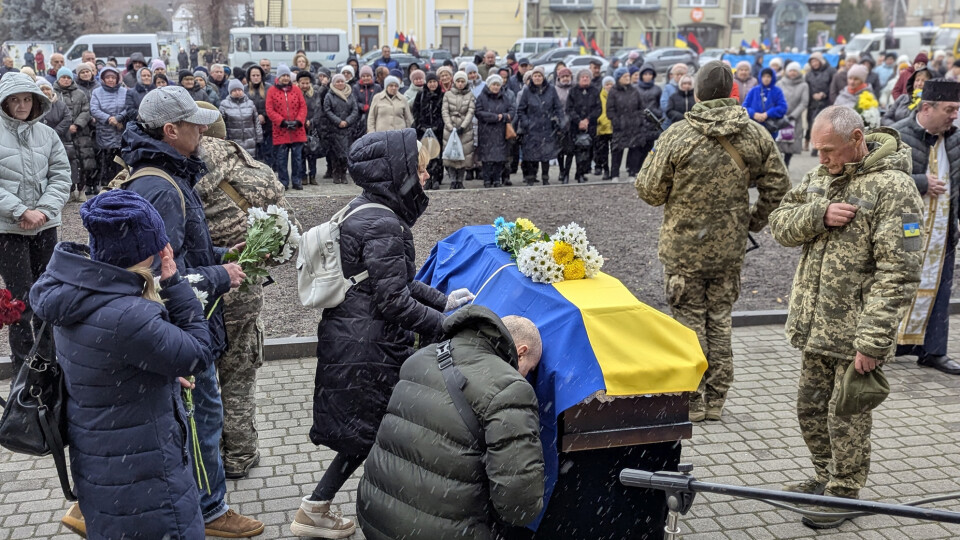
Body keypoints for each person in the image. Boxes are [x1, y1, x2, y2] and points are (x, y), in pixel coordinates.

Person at [294, 128, 472, 538]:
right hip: (369, 344)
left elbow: (395, 283)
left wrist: (442, 300)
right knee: (376, 433)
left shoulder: (366, 208)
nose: (426, 176)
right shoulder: (384, 223)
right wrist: (446, 326)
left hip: (353, 335)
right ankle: (340, 511)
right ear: (397, 171)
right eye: (420, 168)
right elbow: (393, 301)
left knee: (366, 433)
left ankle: (315, 508)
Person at [769, 107, 924, 529]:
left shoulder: (894, 187)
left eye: (828, 150)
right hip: (815, 325)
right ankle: (825, 476)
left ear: (857, 138)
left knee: (847, 417)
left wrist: (873, 341)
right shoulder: (821, 177)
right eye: (816, 150)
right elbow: (779, 225)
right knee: (810, 410)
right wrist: (818, 216)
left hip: (856, 332)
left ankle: (844, 491)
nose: (821, 159)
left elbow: (900, 272)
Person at [121, 85, 264, 537]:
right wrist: (220, 276)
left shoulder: (165, 174)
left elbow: (181, 250)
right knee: (203, 418)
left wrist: (221, 253)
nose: (203, 129)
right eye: (194, 123)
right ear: (171, 130)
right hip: (183, 328)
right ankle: (212, 510)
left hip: (181, 324)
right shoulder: (160, 186)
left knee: (195, 417)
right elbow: (164, 274)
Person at [31, 189, 214, 539]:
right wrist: (174, 284)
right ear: (147, 249)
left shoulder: (74, 292)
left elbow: (103, 363)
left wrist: (152, 372)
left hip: (103, 467)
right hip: (147, 483)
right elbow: (198, 352)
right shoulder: (129, 316)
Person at [636, 62, 790, 422]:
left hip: (683, 251)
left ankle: (692, 398)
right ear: (733, 92)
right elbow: (778, 189)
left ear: (697, 92)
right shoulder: (755, 134)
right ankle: (717, 397)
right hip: (729, 250)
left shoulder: (678, 135)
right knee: (720, 320)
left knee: (688, 322)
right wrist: (750, 220)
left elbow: (649, 191)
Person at [357, 306, 545, 539]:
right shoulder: (510, 389)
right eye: (531, 368)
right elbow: (518, 504)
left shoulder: (421, 358)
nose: (527, 375)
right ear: (521, 351)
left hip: (375, 513)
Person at [194, 102, 298, 479]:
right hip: (239, 292)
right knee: (237, 376)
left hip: (186, 295)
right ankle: (239, 456)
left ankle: (202, 458)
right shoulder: (253, 173)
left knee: (193, 378)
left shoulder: (162, 171)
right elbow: (288, 232)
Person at [0, 73, 71, 377]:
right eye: (15, 99)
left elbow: (61, 175)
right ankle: (22, 370)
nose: (22, 105)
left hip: (44, 227)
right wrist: (20, 211)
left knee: (47, 295)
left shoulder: (47, 134)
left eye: (27, 99)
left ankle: (48, 363)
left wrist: (43, 210)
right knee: (19, 301)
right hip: (8, 230)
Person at [892, 80, 960, 375]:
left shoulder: (955, 139)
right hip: (907, 229)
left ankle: (933, 350)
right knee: (897, 285)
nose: (954, 116)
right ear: (926, 108)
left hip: (943, 228)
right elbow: (882, 179)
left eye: (957, 109)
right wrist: (921, 182)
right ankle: (886, 345)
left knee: (941, 289)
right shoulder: (897, 135)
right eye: (949, 109)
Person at [55, 68, 96, 202]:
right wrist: (65, 127)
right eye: (63, 77)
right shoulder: (54, 94)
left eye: (68, 77)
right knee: (67, 162)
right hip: (62, 134)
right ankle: (71, 190)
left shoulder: (80, 93)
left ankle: (82, 189)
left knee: (84, 161)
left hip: (81, 132)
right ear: (58, 79)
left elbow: (86, 110)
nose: (66, 80)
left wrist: (77, 124)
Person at [518, 67, 563, 186]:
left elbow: (558, 107)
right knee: (532, 154)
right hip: (531, 127)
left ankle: (545, 177)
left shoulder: (551, 90)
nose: (537, 78)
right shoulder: (527, 91)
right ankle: (531, 177)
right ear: (531, 78)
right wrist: (526, 122)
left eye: (539, 76)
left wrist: (558, 120)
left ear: (543, 77)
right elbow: (521, 109)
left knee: (546, 154)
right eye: (535, 76)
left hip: (547, 126)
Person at [266, 64, 307, 190]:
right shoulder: (272, 91)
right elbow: (269, 109)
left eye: (287, 75)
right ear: (278, 76)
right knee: (281, 159)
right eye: (283, 75)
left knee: (297, 159)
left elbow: (303, 106)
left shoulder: (296, 89)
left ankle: (297, 180)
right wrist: (282, 121)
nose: (285, 78)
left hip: (297, 130)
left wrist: (299, 121)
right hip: (281, 130)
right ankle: (283, 181)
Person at [89, 66, 127, 189]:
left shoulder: (124, 91)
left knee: (121, 161)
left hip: (121, 130)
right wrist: (109, 119)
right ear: (103, 79)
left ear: (117, 79)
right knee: (107, 161)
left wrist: (119, 118)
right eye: (107, 77)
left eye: (113, 77)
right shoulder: (97, 92)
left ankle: (122, 185)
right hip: (105, 131)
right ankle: (107, 187)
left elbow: (129, 107)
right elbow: (94, 109)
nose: (110, 80)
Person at [475, 74, 515, 188]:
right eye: (494, 84)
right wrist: (494, 117)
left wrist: (503, 116)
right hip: (486, 131)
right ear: (489, 85)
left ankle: (497, 179)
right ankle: (487, 179)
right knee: (486, 158)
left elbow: (512, 111)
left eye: (498, 85)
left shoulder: (505, 97)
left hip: (501, 131)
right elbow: (478, 112)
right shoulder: (482, 97)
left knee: (499, 157)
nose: (496, 87)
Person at [606, 67, 645, 180]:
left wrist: (639, 119)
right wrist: (617, 121)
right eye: (625, 76)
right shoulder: (613, 92)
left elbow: (641, 107)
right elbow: (610, 110)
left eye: (628, 76)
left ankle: (632, 173)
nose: (627, 78)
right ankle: (615, 174)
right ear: (618, 78)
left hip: (634, 125)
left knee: (634, 149)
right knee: (617, 151)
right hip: (620, 126)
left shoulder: (634, 90)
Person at [441, 71, 476, 189]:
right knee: (451, 155)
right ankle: (452, 179)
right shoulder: (448, 95)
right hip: (450, 129)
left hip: (464, 130)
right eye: (458, 81)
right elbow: (445, 111)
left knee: (463, 155)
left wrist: (463, 126)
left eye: (462, 81)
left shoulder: (470, 95)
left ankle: (460, 180)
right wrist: (450, 126)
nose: (460, 84)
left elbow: (471, 111)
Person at [566, 69, 601, 184]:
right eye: (583, 77)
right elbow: (569, 109)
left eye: (587, 77)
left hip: (590, 126)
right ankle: (567, 174)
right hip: (575, 126)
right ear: (578, 79)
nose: (585, 79)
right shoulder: (573, 91)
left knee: (587, 151)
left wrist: (587, 120)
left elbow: (598, 108)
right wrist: (578, 121)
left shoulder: (595, 91)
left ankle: (581, 173)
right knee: (573, 151)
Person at [323, 74, 359, 184]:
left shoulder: (350, 94)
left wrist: (347, 121)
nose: (340, 84)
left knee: (345, 154)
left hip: (347, 129)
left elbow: (355, 110)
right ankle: (335, 174)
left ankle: (343, 174)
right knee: (335, 154)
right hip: (334, 129)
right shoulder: (329, 95)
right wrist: (338, 121)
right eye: (337, 82)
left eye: (342, 81)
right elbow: (327, 110)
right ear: (333, 83)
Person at [413, 72, 446, 189]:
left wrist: (438, 126)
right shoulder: (421, 95)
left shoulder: (442, 96)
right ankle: (427, 179)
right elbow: (416, 112)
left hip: (437, 130)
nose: (432, 84)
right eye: (430, 82)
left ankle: (437, 178)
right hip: (423, 130)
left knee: (437, 154)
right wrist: (420, 126)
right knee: (425, 155)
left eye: (434, 82)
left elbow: (443, 113)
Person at [777, 62, 810, 168]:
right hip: (780, 117)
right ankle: (779, 165)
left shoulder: (804, 85)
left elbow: (804, 102)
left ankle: (786, 163)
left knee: (791, 143)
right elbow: (775, 98)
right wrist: (779, 112)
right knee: (778, 142)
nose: (792, 73)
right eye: (791, 70)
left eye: (795, 71)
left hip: (795, 118)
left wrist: (793, 115)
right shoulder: (780, 83)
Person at [220, 78, 263, 158]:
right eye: (234, 90)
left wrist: (259, 136)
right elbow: (222, 123)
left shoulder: (250, 103)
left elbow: (256, 121)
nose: (237, 92)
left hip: (250, 140)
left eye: (239, 90)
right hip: (234, 141)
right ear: (230, 92)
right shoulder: (224, 105)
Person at [805, 52, 835, 155]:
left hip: (826, 102)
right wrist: (812, 94)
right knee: (812, 124)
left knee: (824, 125)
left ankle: (821, 147)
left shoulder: (830, 71)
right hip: (813, 103)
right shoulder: (809, 74)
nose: (814, 64)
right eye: (812, 62)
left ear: (821, 61)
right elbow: (807, 87)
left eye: (816, 61)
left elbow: (833, 86)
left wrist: (824, 94)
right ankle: (814, 145)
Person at [744, 67, 788, 139]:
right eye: (763, 76)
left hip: (770, 128)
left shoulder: (777, 91)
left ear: (772, 77)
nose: (766, 79)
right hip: (754, 128)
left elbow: (783, 107)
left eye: (768, 76)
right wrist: (754, 114)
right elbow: (745, 107)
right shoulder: (754, 90)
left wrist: (768, 114)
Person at [296, 71, 323, 184]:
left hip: (312, 127)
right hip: (299, 127)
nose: (305, 85)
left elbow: (318, 110)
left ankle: (312, 175)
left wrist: (311, 122)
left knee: (312, 152)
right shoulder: (296, 94)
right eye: (303, 83)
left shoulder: (315, 94)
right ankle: (303, 176)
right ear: (299, 83)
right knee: (301, 154)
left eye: (307, 83)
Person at [244, 65, 273, 168]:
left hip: (268, 125)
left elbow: (273, 104)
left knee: (268, 151)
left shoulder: (269, 88)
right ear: (249, 77)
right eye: (253, 75)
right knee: (255, 153)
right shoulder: (245, 90)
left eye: (258, 75)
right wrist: (256, 116)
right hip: (251, 126)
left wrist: (264, 115)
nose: (256, 77)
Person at [554, 67, 574, 183]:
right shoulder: (555, 90)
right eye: (563, 77)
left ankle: (567, 172)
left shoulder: (574, 89)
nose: (565, 78)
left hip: (572, 123)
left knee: (570, 150)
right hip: (559, 123)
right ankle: (561, 170)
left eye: (567, 76)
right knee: (560, 150)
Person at [353, 65, 381, 139]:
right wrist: (362, 106)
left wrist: (371, 107)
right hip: (360, 117)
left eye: (368, 76)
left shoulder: (377, 87)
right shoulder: (356, 87)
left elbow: (380, 100)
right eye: (363, 76)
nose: (366, 78)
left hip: (374, 116)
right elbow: (354, 101)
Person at [594, 76, 614, 180]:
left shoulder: (616, 95)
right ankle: (606, 170)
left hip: (614, 127)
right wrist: (601, 120)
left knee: (615, 151)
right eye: (607, 84)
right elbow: (597, 110)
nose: (609, 86)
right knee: (603, 152)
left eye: (611, 84)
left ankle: (614, 171)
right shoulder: (599, 96)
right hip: (602, 128)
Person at [660, 63, 689, 129]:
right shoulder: (668, 87)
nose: (679, 76)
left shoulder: (690, 87)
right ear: (673, 75)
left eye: (681, 74)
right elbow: (664, 104)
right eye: (677, 74)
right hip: (670, 122)